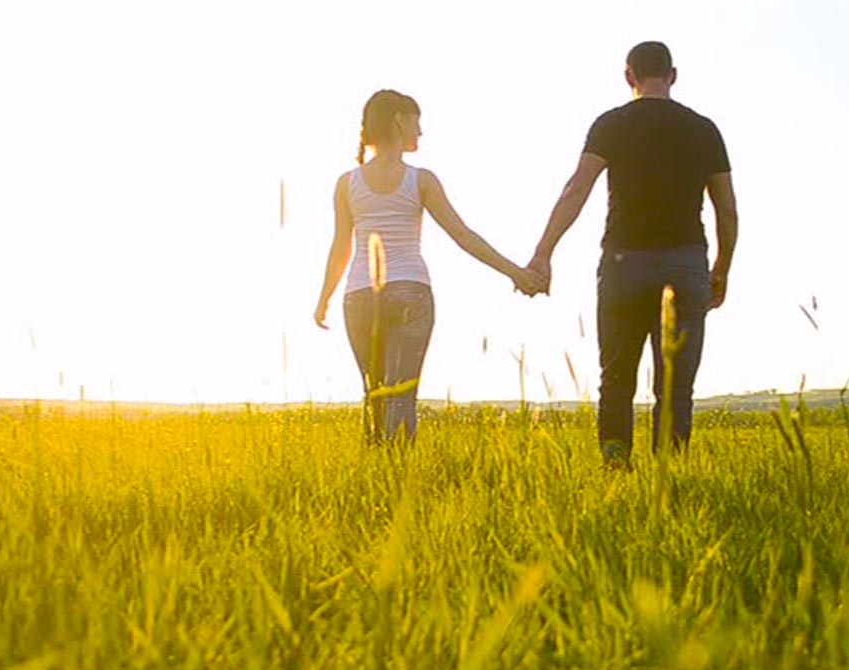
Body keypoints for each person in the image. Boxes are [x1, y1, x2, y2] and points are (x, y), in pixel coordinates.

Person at [527, 41, 738, 466]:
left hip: (624, 266)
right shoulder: (704, 129)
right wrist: (722, 268)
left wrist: (543, 253)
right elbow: (727, 210)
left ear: (629, 77)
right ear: (673, 75)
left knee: (617, 379)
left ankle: (616, 469)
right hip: (685, 264)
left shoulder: (611, 125)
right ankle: (668, 476)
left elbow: (576, 191)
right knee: (676, 386)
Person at [315, 89, 545, 442]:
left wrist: (324, 299)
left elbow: (340, 247)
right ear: (398, 121)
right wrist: (517, 273)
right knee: (400, 396)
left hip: (359, 297)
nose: (420, 132)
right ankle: (398, 476)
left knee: (374, 397)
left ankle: (377, 482)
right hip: (411, 293)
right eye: (416, 122)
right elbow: (463, 236)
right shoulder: (421, 180)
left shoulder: (347, 184)